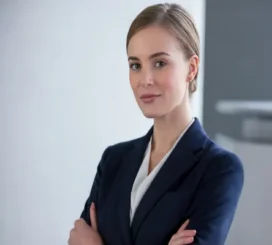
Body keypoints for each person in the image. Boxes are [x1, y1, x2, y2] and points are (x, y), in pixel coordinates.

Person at [68, 3, 244, 245]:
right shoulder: (113, 161)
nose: (145, 80)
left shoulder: (218, 169)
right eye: (135, 65)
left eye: (160, 63)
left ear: (191, 68)